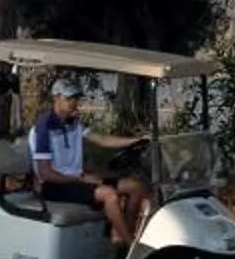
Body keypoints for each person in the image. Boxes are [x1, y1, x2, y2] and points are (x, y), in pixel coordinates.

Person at [27, 83, 146, 244]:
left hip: (77, 180)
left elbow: (102, 139)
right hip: (53, 186)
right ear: (56, 98)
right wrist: (79, 179)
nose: (74, 103)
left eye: (76, 98)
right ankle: (130, 246)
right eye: (69, 98)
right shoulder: (43, 128)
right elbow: (45, 174)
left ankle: (121, 237)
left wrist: (136, 141)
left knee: (135, 187)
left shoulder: (73, 123)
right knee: (109, 194)